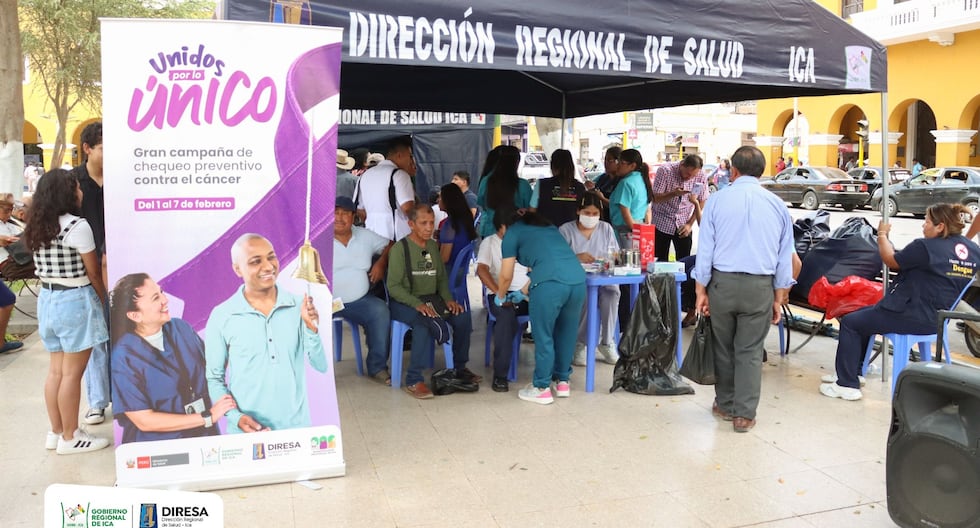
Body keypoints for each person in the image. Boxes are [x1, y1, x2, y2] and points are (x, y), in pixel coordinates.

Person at [821, 204, 980, 401]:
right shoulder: (973, 250)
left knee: (851, 322)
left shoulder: (925, 247)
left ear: (940, 226)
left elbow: (891, 260)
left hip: (907, 314)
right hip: (936, 320)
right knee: (864, 316)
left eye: (927, 222)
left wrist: (881, 235)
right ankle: (853, 371)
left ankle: (847, 384)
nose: (923, 226)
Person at [693, 146, 795, 433]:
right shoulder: (777, 205)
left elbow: (706, 251)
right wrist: (778, 297)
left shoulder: (717, 201)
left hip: (722, 284)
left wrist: (701, 291)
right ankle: (744, 415)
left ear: (732, 171)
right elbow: (783, 256)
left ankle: (725, 405)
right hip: (759, 287)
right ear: (762, 172)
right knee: (749, 350)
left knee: (723, 347)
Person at [23, 169, 109, 454]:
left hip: (47, 300)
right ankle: (71, 438)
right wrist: (103, 300)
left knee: (56, 373)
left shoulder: (37, 225)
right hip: (75, 299)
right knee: (73, 374)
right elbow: (93, 272)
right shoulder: (77, 226)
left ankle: (56, 432)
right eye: (76, 188)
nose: (81, 192)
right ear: (67, 193)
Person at [205, 234, 327, 433]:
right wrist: (236, 418)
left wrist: (311, 328)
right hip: (247, 433)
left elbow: (320, 365)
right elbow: (214, 378)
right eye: (255, 261)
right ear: (237, 269)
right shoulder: (222, 315)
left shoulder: (299, 305)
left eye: (271, 257)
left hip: (296, 430)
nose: (269, 266)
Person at [109, 273, 236, 443]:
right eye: (156, 298)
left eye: (161, 292)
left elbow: (214, 365)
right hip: (159, 449)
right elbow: (143, 420)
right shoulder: (123, 356)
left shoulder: (180, 328)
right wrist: (207, 417)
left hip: (204, 439)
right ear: (135, 316)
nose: (165, 299)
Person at [497, 208, 586, 405]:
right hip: (577, 282)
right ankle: (562, 382)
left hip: (549, 287)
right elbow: (546, 263)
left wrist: (500, 296)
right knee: (566, 332)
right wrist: (523, 291)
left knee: (543, 335)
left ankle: (541, 387)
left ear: (504, 226)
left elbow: (505, 275)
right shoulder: (547, 227)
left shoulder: (512, 233)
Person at [386, 204, 476, 398]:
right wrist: (416, 304)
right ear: (411, 224)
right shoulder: (400, 249)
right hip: (404, 302)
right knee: (423, 324)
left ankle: (460, 368)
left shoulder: (433, 247)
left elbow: (441, 279)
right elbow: (393, 287)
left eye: (431, 222)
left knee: (462, 317)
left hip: (431, 299)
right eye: (423, 223)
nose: (429, 228)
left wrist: (449, 300)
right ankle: (414, 380)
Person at [65, 122, 110, 427]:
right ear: (88, 149)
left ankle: (125, 397)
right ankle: (96, 402)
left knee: (122, 333)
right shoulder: (72, 183)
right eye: (105, 147)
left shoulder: (123, 179)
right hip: (87, 272)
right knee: (96, 338)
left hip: (121, 266)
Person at [333, 196, 393, 384]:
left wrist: (381, 264)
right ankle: (313, 371)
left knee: (380, 311)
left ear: (354, 216)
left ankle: (377, 367)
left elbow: (391, 244)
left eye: (345, 213)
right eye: (335, 213)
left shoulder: (365, 236)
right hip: (326, 302)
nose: (340, 218)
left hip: (359, 301)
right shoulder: (318, 237)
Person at [558, 193, 621, 366]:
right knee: (585, 295)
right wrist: (576, 257)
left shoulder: (606, 229)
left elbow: (615, 255)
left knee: (613, 292)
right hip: (574, 281)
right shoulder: (566, 230)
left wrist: (606, 261)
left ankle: (607, 342)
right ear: (578, 211)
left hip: (601, 278)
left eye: (595, 214)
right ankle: (581, 343)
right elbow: (557, 258)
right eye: (587, 213)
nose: (591, 217)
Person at [476, 213, 531, 393]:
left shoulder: (525, 242)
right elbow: (482, 270)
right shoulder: (490, 243)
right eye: (509, 228)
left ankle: (556, 372)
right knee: (506, 321)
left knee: (551, 312)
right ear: (500, 227)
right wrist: (498, 292)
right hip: (499, 293)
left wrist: (525, 292)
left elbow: (536, 269)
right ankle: (500, 374)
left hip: (526, 293)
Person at [354, 136, 416, 240]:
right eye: (410, 156)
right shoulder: (400, 175)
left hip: (372, 236)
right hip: (396, 238)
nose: (411, 160)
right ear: (399, 155)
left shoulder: (364, 176)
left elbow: (359, 209)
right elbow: (407, 208)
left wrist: (374, 220)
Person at [651, 154, 709, 263]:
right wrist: (673, 193)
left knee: (684, 262)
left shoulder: (701, 175)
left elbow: (702, 200)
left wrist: (690, 224)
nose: (689, 178)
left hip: (684, 223)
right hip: (662, 221)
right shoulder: (665, 171)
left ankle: (681, 280)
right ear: (682, 165)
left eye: (693, 175)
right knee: (660, 261)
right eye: (687, 174)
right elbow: (655, 198)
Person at [476, 145, 533, 240]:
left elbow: (481, 202)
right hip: (514, 232)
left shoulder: (486, 181)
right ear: (517, 162)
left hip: (489, 231)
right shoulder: (523, 185)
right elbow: (531, 210)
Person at [608, 148, 654, 245]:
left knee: (626, 259)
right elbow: (648, 208)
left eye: (621, 162)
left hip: (627, 230)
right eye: (617, 161)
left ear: (632, 165)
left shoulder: (626, 183)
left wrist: (635, 231)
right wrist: (644, 229)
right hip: (640, 226)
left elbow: (625, 212)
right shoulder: (642, 179)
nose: (618, 165)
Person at [530, 149, 586, 227]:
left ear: (552, 165)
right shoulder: (580, 187)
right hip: (571, 235)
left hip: (545, 233)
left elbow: (531, 212)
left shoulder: (542, 184)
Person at [437, 183, 477, 265]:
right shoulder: (465, 219)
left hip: (449, 273)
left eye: (440, 197)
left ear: (448, 200)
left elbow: (444, 258)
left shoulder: (450, 225)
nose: (438, 200)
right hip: (461, 271)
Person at [585, 146, 622, 222]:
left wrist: (602, 198)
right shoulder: (603, 177)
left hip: (614, 222)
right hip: (599, 219)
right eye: (605, 159)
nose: (605, 163)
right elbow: (595, 189)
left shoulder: (622, 182)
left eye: (609, 160)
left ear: (617, 161)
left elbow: (617, 206)